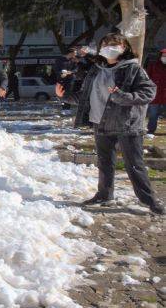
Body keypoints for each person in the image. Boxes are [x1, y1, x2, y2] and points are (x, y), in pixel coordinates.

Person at [56, 32, 163, 215]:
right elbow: (86, 96)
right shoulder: (96, 69)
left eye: (115, 44)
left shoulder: (133, 69)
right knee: (105, 162)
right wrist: (63, 96)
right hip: (101, 122)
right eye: (106, 43)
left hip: (127, 125)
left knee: (134, 165)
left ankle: (150, 200)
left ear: (124, 48)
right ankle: (104, 195)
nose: (109, 47)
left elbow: (149, 92)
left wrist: (123, 97)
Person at [146, 48, 166, 134]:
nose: (165, 57)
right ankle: (151, 131)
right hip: (155, 94)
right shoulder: (153, 65)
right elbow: (147, 79)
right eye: (164, 56)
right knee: (153, 115)